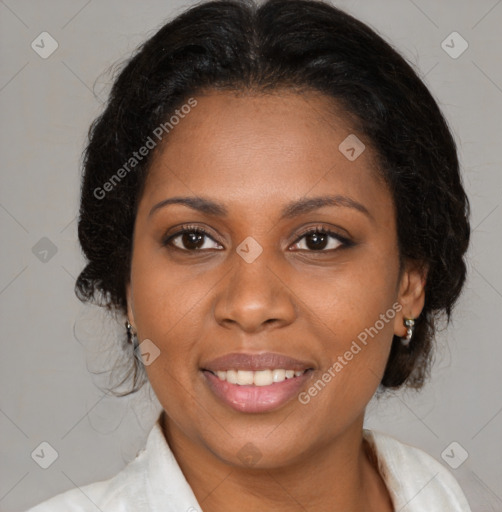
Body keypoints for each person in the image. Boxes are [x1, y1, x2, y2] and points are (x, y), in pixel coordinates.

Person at [26, 0, 472, 510]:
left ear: (409, 284)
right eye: (193, 239)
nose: (252, 303)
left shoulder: (435, 492)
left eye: (318, 240)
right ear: (126, 282)